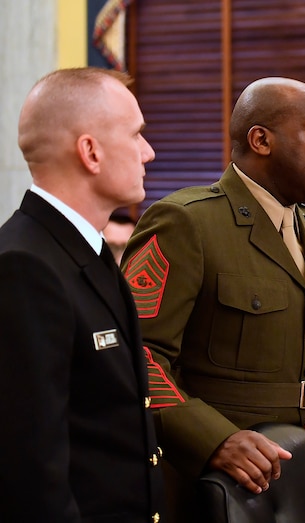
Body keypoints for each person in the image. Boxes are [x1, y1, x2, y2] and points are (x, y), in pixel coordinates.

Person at [121, 77, 305, 520]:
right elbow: (137, 356)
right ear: (261, 140)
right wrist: (213, 438)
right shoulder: (186, 223)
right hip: (219, 481)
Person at [0, 67, 164, 521]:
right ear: (90, 152)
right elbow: (31, 469)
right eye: (136, 135)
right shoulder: (24, 265)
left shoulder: (83, 253)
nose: (148, 152)